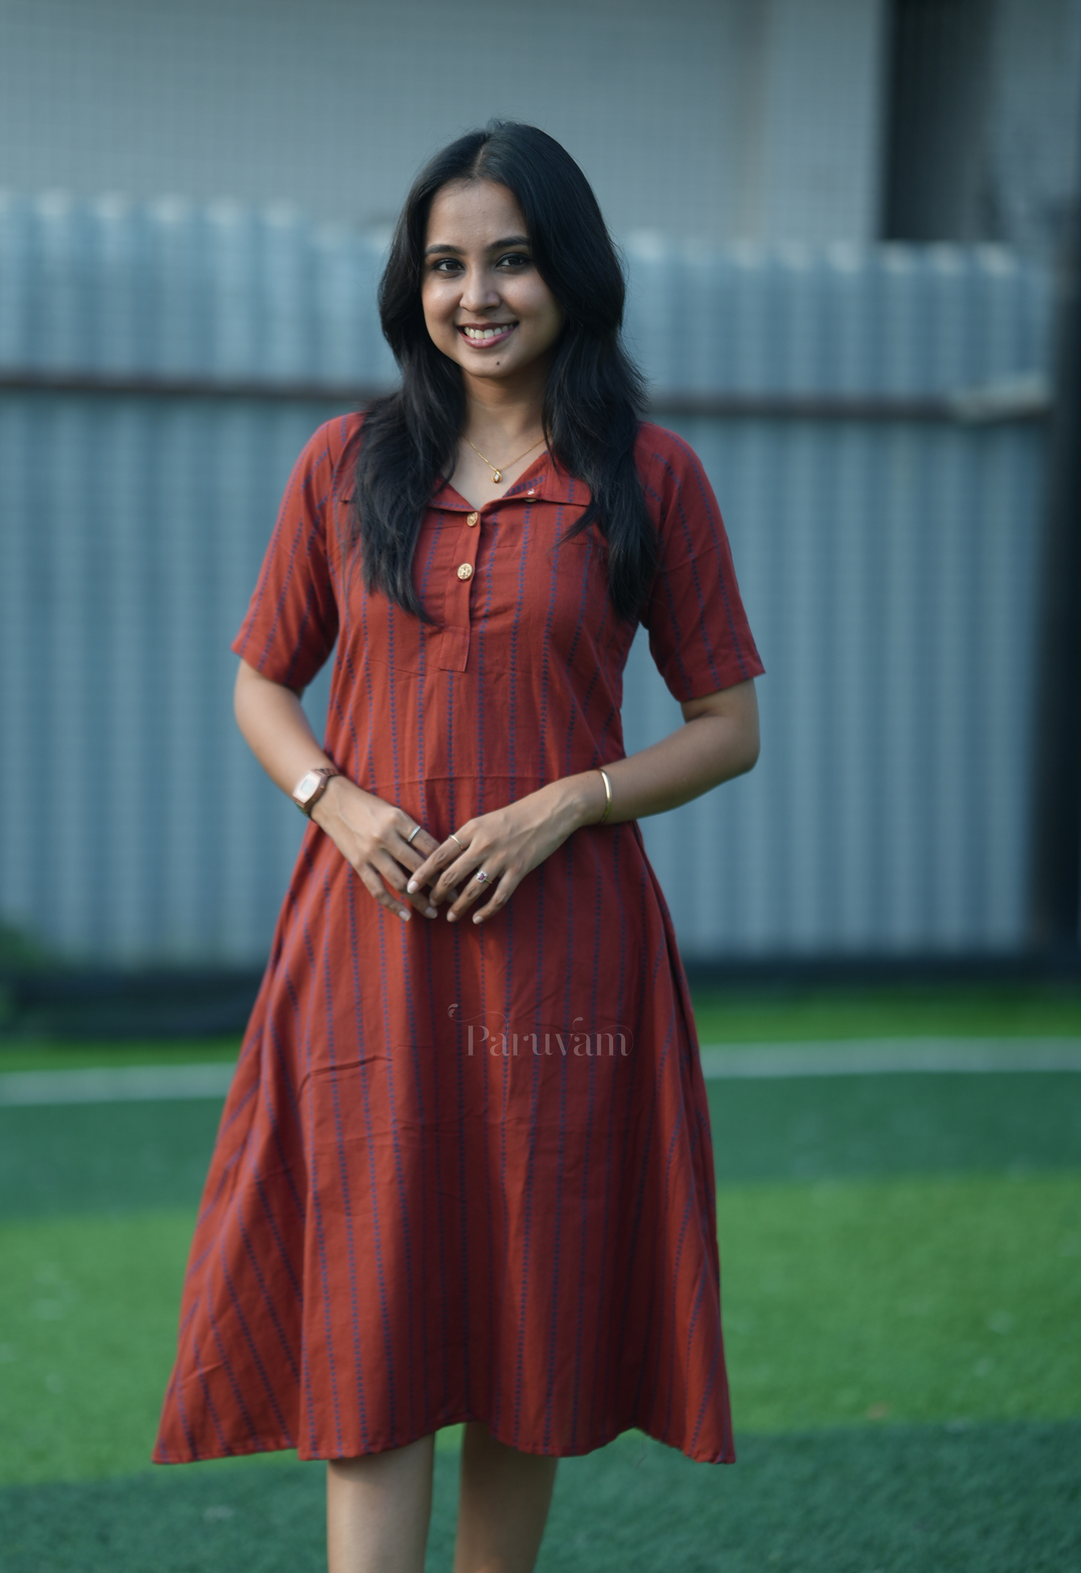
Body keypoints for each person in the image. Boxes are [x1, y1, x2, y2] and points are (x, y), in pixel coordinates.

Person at [153, 120, 764, 1573]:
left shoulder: (651, 476)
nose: (475, 294)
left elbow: (727, 726)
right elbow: (260, 684)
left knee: (529, 1296)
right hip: (366, 945)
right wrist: (336, 800)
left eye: (510, 260)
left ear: (571, 273)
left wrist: (567, 803)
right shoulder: (346, 463)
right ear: (411, 285)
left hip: (566, 956)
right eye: (444, 265)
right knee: (370, 1291)